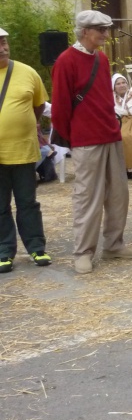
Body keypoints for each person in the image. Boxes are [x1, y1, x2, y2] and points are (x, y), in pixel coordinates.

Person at [52, 11, 132, 274]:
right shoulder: (66, 61)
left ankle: (114, 244)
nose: (105, 33)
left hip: (110, 134)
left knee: (118, 194)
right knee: (88, 197)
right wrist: (75, 137)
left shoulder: (101, 58)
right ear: (84, 32)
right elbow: (59, 109)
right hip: (86, 140)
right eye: (99, 29)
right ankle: (83, 251)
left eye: (105, 28)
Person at [0, 27, 51, 274]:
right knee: (0, 206)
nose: (2, 48)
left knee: (28, 203)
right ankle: (4, 251)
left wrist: (24, 125)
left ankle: (36, 248)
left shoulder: (27, 72)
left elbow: (39, 106)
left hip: (23, 151)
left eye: (4, 42)